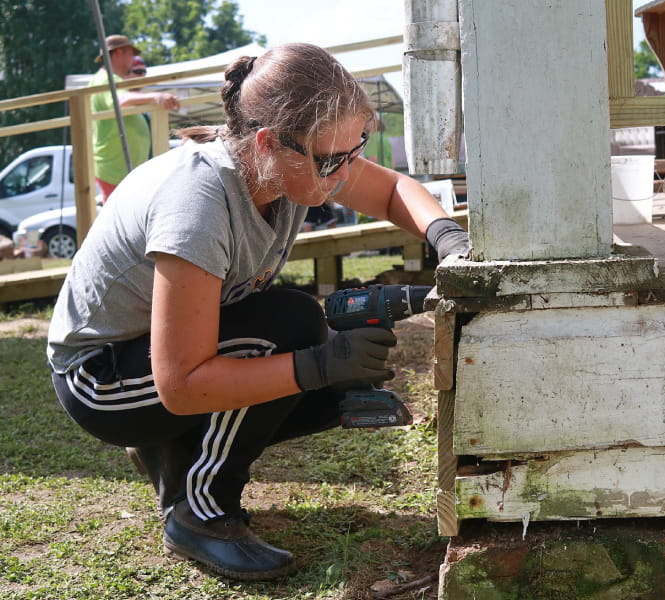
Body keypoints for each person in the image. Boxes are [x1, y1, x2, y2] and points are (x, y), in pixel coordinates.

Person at [47, 43, 469, 581]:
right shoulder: (197, 203)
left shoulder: (291, 162)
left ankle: (170, 449)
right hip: (102, 380)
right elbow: (180, 383)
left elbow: (392, 190)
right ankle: (199, 513)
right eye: (331, 159)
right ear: (269, 142)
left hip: (152, 363)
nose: (344, 174)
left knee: (317, 376)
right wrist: (321, 365)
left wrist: (450, 240)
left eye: (355, 149)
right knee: (288, 332)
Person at [89, 34, 180, 203]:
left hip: (118, 170)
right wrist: (156, 97)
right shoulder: (107, 79)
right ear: (118, 53)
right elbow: (120, 102)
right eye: (131, 54)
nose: (134, 59)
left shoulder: (106, 80)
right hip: (116, 170)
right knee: (124, 227)